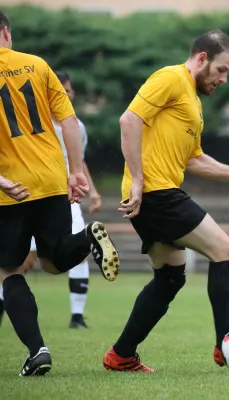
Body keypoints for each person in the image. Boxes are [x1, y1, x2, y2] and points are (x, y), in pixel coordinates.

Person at [102, 30, 229, 373]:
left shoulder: (192, 100)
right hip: (156, 194)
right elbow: (129, 120)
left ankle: (121, 355)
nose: (223, 79)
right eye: (221, 70)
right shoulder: (170, 78)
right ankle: (227, 346)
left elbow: (192, 159)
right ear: (202, 58)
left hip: (156, 194)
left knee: (170, 278)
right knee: (225, 250)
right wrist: (137, 179)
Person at [0, 11, 119, 377]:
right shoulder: (37, 65)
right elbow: (69, 120)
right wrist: (76, 171)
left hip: (11, 190)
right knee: (53, 262)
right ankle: (87, 238)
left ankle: (37, 351)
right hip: (52, 182)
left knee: (7, 271)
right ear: (6, 32)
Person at [0, 71, 102, 330]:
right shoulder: (41, 122)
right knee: (35, 262)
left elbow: (79, 160)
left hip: (55, 193)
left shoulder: (75, 126)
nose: (68, 94)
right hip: (47, 192)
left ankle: (76, 317)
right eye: (64, 90)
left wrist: (91, 188)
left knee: (19, 264)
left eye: (69, 90)